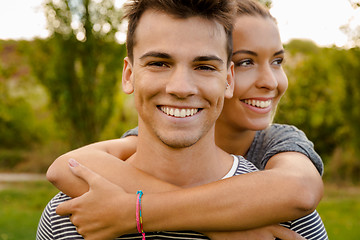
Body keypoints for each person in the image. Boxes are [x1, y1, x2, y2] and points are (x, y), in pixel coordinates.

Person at [37, 0, 328, 239]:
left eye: (203, 66)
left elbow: (300, 189)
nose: (181, 87)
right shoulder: (75, 212)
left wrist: (135, 212)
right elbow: (67, 166)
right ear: (128, 75)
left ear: (227, 79)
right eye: (159, 63)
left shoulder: (282, 217)